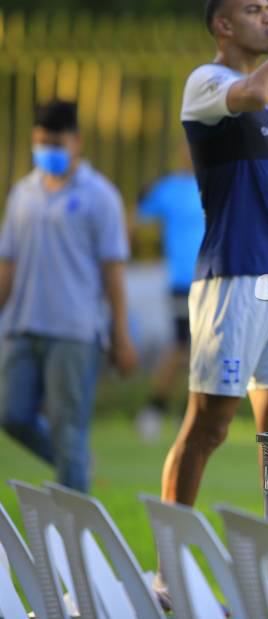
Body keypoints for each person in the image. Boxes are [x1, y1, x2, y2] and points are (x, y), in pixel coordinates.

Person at [161, 0, 268, 511]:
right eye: (255, 12)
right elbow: (255, 91)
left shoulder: (267, 104)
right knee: (208, 427)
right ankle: (168, 571)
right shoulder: (208, 82)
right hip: (231, 277)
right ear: (224, 27)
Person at [0, 100, 137, 491]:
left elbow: (113, 270)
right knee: (12, 416)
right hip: (21, 325)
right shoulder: (22, 193)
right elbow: (7, 263)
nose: (48, 151)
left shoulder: (100, 196)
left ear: (76, 141)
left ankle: (78, 536)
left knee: (68, 427)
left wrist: (121, 335)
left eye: (56, 143)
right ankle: (76, 463)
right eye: (41, 142)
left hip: (75, 331)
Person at [133, 142, 204, 441]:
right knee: (180, 347)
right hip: (181, 282)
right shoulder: (168, 188)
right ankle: (155, 409)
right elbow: (135, 219)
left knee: (199, 351)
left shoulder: (212, 184)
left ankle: (183, 414)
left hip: (210, 280)